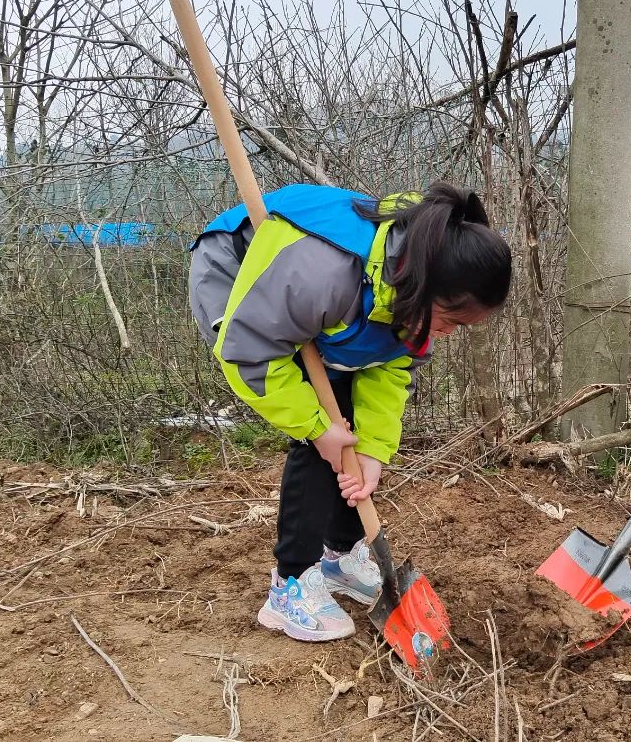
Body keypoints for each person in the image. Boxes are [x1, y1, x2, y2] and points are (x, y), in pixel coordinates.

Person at [189, 182, 512, 640]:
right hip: (244, 277)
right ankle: (290, 585)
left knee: (351, 430)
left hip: (335, 299)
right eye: (450, 321)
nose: (450, 334)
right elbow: (249, 351)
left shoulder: (410, 292)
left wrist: (373, 449)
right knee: (322, 426)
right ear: (423, 289)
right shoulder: (321, 272)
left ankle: (340, 555)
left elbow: (389, 368)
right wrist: (317, 428)